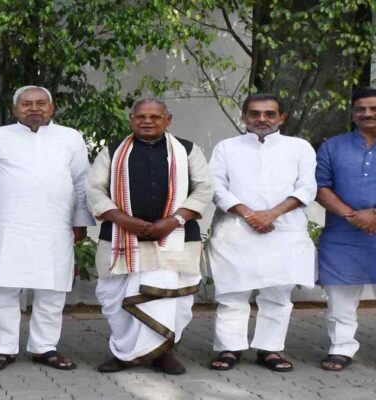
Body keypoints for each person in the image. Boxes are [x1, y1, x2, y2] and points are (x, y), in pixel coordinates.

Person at [0, 85, 95, 371]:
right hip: (6, 226)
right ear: (15, 109)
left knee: (52, 290)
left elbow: (81, 183)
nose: (34, 108)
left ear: (52, 107)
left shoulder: (70, 138)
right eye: (26, 104)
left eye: (40, 103)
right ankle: (4, 348)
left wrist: (81, 221)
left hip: (55, 226)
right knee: (4, 289)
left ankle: (44, 347)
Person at [87, 98, 214, 374]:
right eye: (141, 116)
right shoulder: (112, 151)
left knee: (173, 298)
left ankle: (163, 351)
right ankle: (125, 352)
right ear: (131, 119)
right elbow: (94, 189)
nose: (147, 121)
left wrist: (174, 220)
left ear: (168, 120)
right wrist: (124, 220)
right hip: (121, 236)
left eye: (155, 117)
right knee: (114, 295)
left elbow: (204, 188)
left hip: (177, 236)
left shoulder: (188, 150)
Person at [207, 93, 317, 372]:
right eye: (254, 113)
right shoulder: (226, 147)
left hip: (284, 231)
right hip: (235, 231)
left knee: (277, 295)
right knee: (232, 293)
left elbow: (306, 188)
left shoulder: (299, 147)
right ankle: (229, 348)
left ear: (282, 117)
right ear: (244, 116)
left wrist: (271, 214)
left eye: (269, 114)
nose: (262, 119)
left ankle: (270, 349)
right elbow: (216, 187)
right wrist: (249, 214)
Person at [316, 87, 376, 371]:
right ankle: (341, 348)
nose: (367, 113)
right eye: (360, 109)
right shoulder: (333, 146)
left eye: (373, 108)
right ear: (352, 113)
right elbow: (320, 186)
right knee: (340, 296)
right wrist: (352, 216)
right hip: (342, 234)